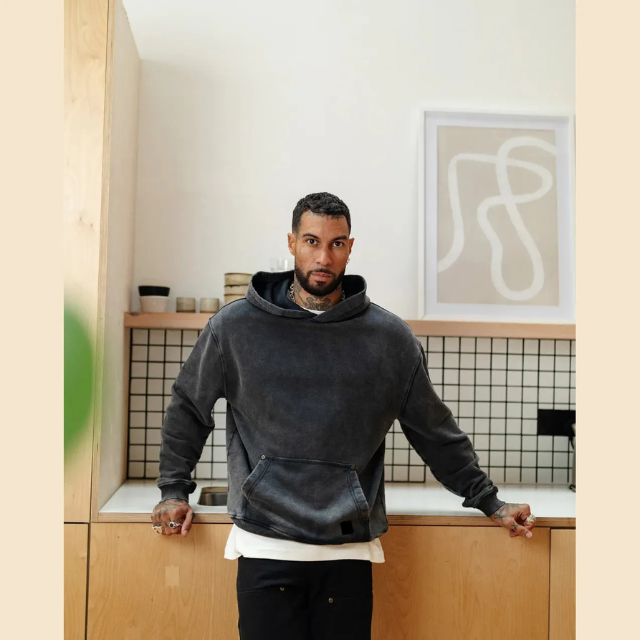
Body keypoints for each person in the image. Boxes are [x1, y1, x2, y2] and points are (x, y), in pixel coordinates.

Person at [151, 192, 536, 640]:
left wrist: (490, 501)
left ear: (350, 248)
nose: (323, 257)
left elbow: (434, 433)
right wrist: (173, 490)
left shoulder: (389, 339)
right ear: (292, 242)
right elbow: (188, 407)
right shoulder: (234, 327)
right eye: (311, 241)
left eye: (336, 244)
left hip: (348, 550)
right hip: (264, 544)